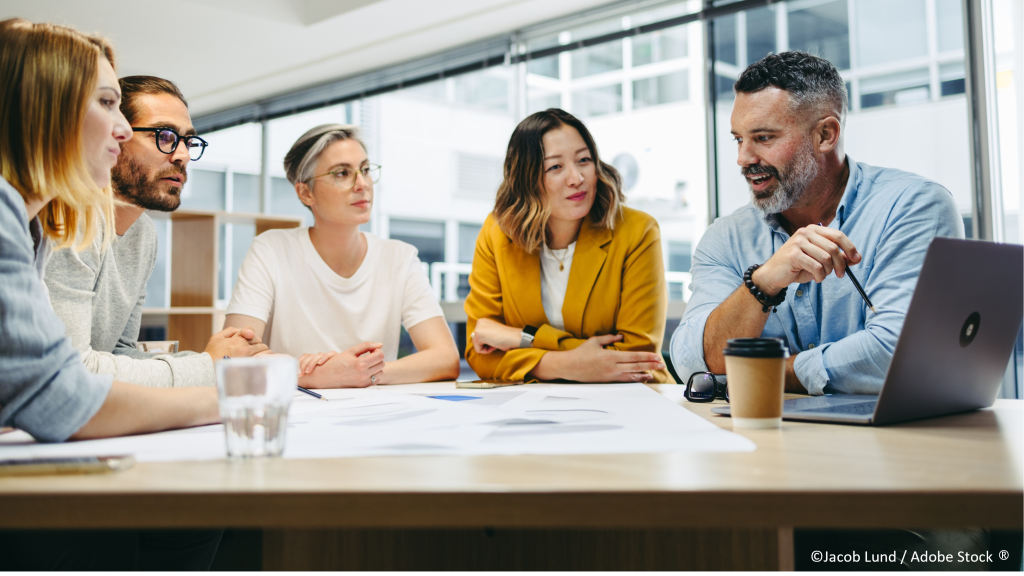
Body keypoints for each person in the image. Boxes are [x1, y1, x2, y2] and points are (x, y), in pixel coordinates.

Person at [0, 18, 229, 570]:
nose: (123, 131)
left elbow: (56, 382)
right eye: (107, 104)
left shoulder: (26, 224)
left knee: (191, 517)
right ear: (44, 110)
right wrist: (229, 392)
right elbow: (62, 395)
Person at [670, 51, 963, 395]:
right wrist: (762, 284)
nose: (743, 159)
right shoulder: (726, 237)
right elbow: (692, 362)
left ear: (826, 134)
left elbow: (900, 353)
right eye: (738, 139)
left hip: (893, 441)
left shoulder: (912, 207)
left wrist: (768, 373)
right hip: (761, 440)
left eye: (763, 138)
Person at [44, 75, 266, 388]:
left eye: (188, 141)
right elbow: (70, 371)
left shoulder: (143, 233)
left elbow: (118, 353)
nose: (182, 155)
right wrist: (208, 366)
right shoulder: (69, 220)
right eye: (164, 135)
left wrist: (227, 362)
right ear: (114, 134)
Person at [224, 124, 460, 388]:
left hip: (375, 416)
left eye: (366, 170)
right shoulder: (271, 249)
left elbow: (445, 358)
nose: (362, 184)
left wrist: (363, 373)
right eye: (342, 173)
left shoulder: (400, 258)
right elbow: (232, 356)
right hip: (296, 416)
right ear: (306, 192)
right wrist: (319, 375)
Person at [465, 108, 671, 383]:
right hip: (535, 406)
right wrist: (563, 364)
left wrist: (522, 339)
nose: (576, 178)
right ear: (525, 179)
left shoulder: (637, 231)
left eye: (584, 160)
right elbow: (480, 351)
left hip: (631, 399)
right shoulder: (496, 232)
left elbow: (635, 358)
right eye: (555, 167)